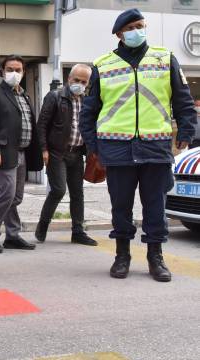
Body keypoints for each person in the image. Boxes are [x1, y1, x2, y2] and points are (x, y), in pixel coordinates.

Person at [79, 9, 197, 282]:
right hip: (115, 147)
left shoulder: (165, 58)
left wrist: (187, 131)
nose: (137, 30)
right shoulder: (103, 65)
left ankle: (156, 257)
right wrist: (93, 144)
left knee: (155, 206)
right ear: (119, 34)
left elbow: (182, 99)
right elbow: (89, 110)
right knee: (121, 206)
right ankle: (122, 255)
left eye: (140, 25)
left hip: (155, 146)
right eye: (131, 27)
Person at [0, 55, 43, 253]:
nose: (13, 73)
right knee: (6, 193)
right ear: (2, 71)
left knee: (16, 197)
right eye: (9, 69)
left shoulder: (25, 96)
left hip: (23, 151)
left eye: (18, 70)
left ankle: (12, 235)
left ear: (23, 72)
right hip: (5, 152)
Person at [35, 65, 97, 246]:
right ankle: (43, 225)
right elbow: (42, 125)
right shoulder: (55, 97)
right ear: (69, 79)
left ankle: (78, 232)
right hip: (57, 153)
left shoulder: (87, 101)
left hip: (77, 154)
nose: (79, 84)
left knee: (78, 193)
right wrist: (44, 150)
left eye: (83, 82)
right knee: (59, 190)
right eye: (76, 80)